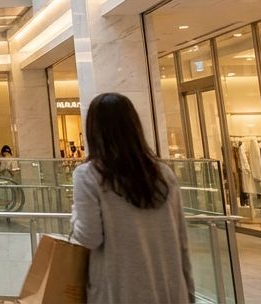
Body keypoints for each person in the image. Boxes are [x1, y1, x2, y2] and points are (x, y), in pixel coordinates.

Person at [71, 93, 193, 304]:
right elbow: (181, 240)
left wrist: (74, 217)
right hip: (169, 290)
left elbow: (88, 236)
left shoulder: (89, 175)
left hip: (120, 290)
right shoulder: (163, 174)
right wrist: (189, 292)